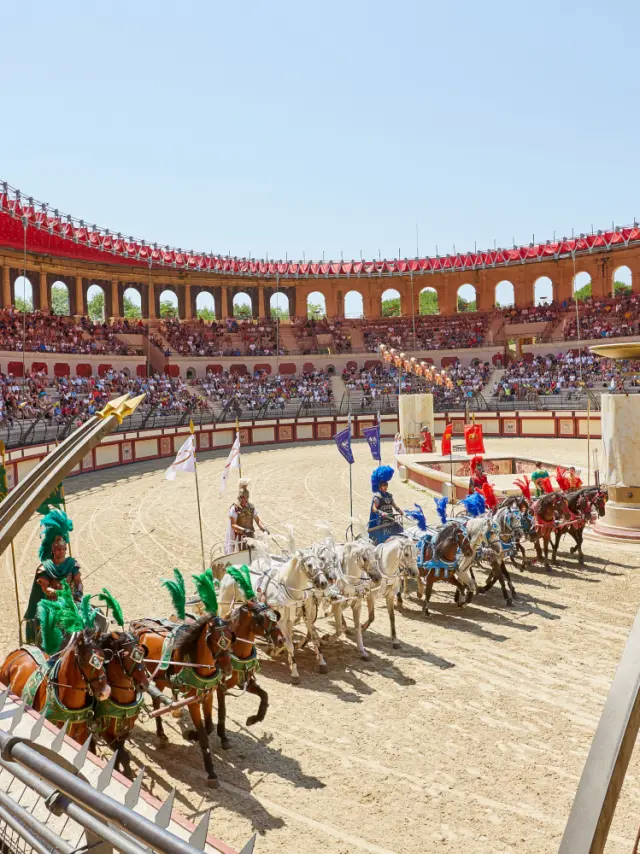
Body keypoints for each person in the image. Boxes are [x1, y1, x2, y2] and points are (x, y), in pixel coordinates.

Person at [24, 510, 82, 645]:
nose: (61, 552)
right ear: (53, 550)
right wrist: (59, 594)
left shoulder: (72, 564)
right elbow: (45, 589)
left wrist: (78, 592)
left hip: (73, 601)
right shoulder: (45, 568)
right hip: (52, 604)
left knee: (89, 615)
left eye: (63, 549)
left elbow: (78, 581)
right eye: (58, 549)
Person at [225, 478, 268, 554]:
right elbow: (233, 525)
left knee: (254, 554)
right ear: (239, 497)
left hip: (251, 536)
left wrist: (264, 528)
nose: (244, 499)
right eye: (242, 497)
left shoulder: (251, 507)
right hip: (240, 539)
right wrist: (244, 530)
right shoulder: (234, 508)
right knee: (242, 555)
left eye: (246, 497)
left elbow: (258, 520)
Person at [368, 465, 405, 545]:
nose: (385, 487)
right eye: (383, 486)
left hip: (390, 518)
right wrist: (381, 513)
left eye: (386, 486)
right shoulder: (378, 497)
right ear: (380, 487)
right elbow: (374, 508)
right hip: (382, 521)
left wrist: (400, 511)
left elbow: (394, 506)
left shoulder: (389, 496)